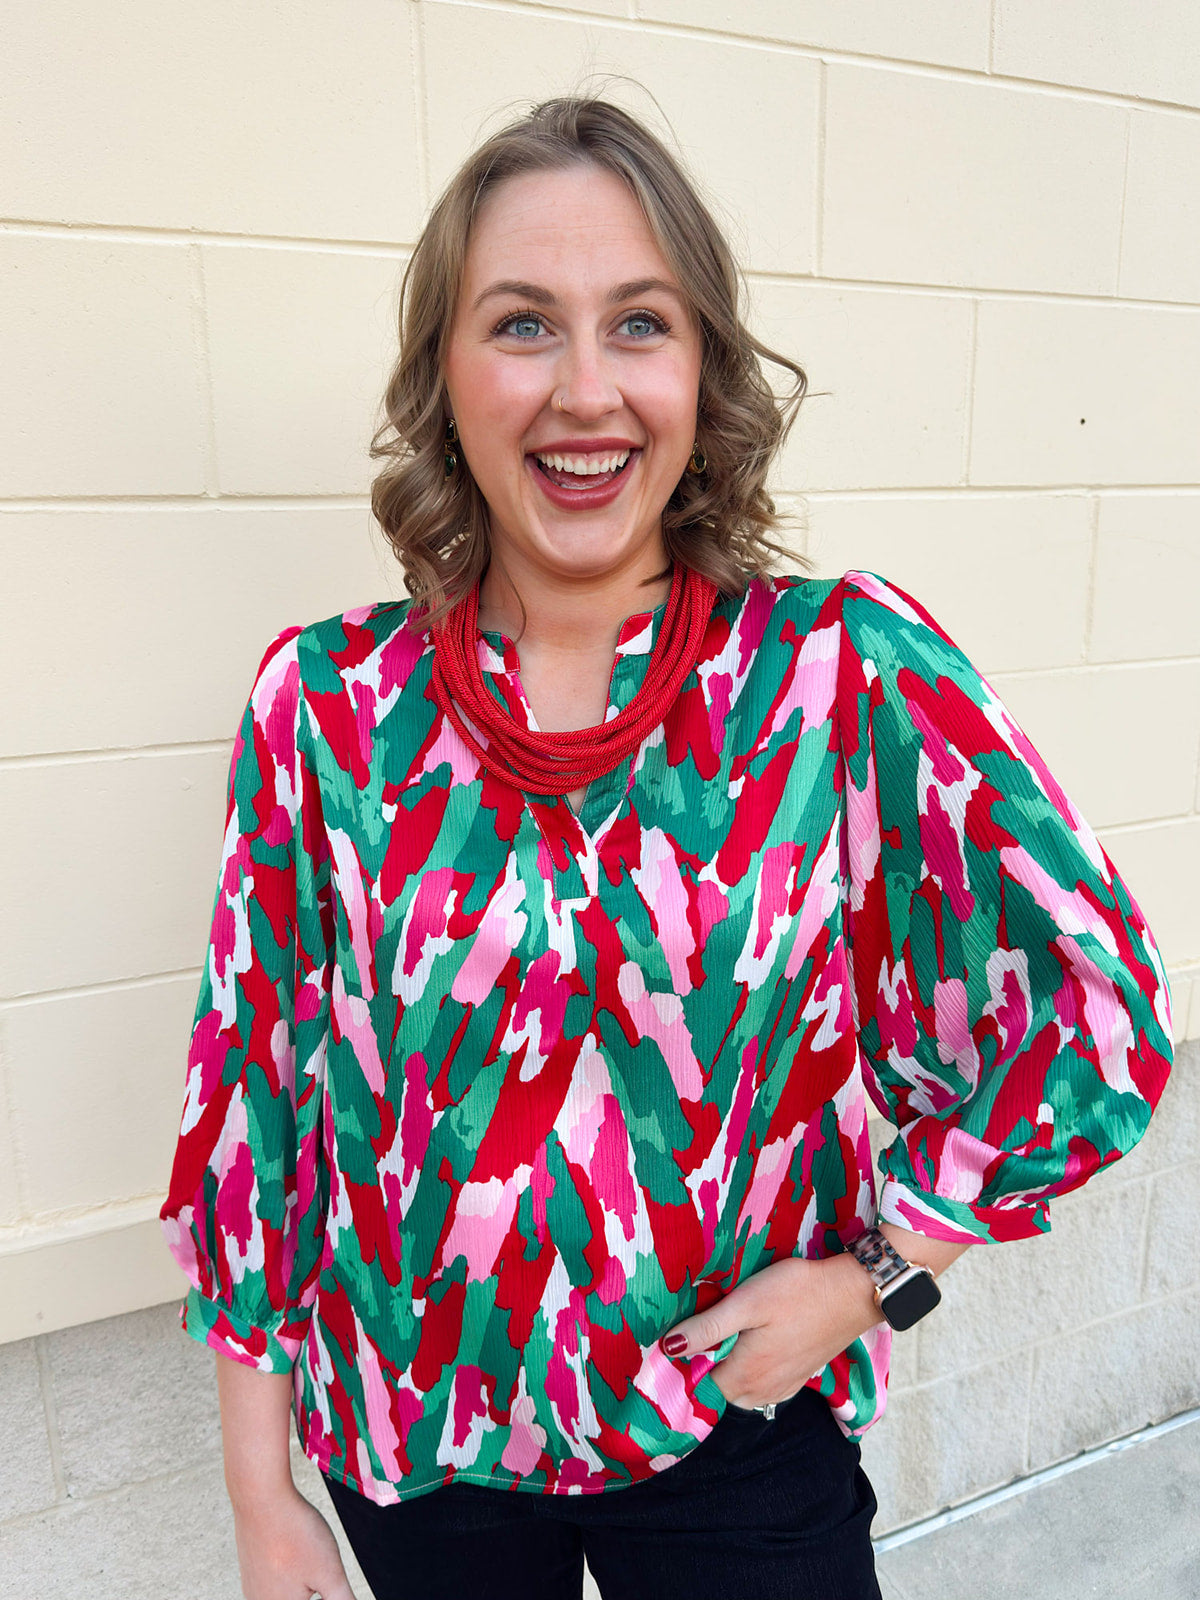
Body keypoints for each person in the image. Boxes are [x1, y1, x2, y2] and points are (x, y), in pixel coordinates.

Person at [160, 96, 1174, 1600]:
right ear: (443, 372)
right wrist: (262, 1491)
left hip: (733, 1441)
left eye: (639, 323)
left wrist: (879, 1276)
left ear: (702, 369)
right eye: (522, 324)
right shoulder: (327, 704)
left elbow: (1102, 1006)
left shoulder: (837, 676)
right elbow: (254, 1100)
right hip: (419, 1455)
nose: (586, 391)